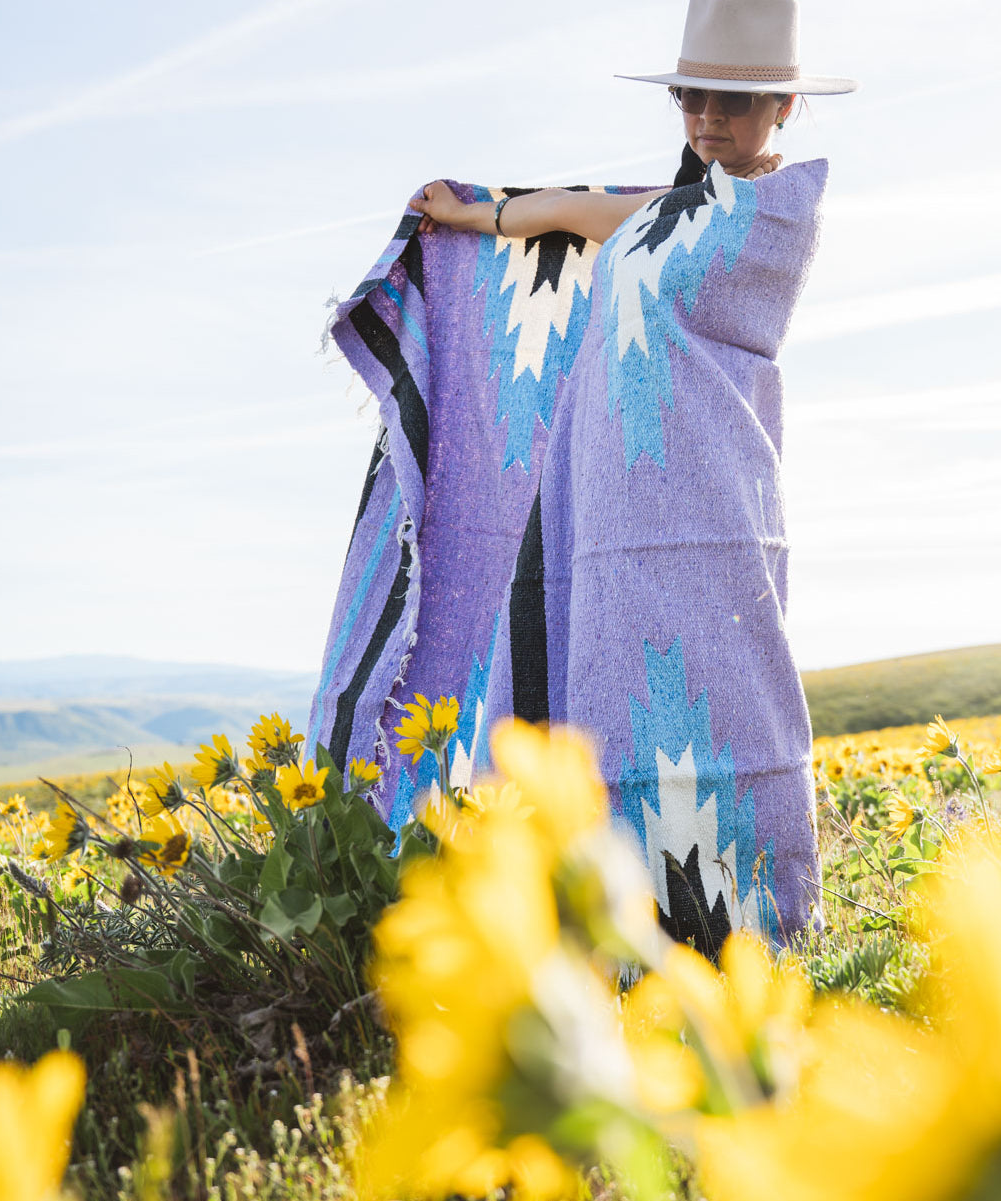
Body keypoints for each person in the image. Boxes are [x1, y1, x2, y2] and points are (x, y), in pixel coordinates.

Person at [309, 0, 856, 953]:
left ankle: (751, 920)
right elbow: (572, 215)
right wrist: (472, 216)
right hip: (604, 499)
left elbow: (686, 251)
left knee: (718, 682)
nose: (706, 120)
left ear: (784, 110)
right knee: (603, 680)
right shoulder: (673, 212)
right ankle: (618, 919)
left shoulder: (775, 217)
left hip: (707, 500)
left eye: (732, 100)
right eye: (692, 97)